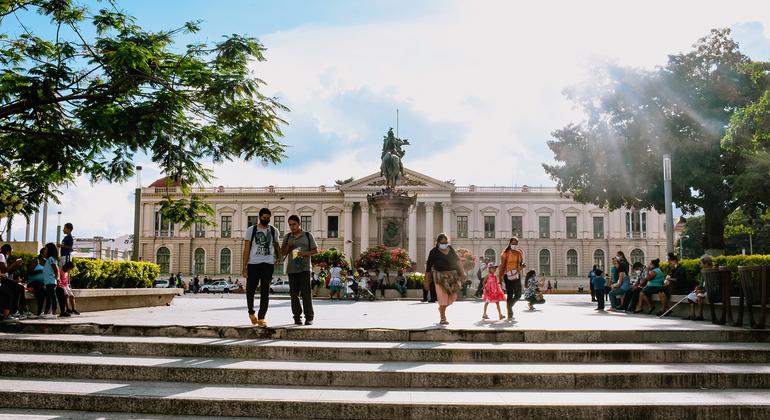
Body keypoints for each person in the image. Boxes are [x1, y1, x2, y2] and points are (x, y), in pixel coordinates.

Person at [241, 208, 282, 327]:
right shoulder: (251, 230)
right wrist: (244, 267)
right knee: (250, 290)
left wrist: (279, 256)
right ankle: (251, 312)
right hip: (253, 264)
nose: (266, 220)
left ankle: (262, 317)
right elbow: (247, 249)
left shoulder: (274, 230)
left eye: (268, 218)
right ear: (259, 217)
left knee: (265, 292)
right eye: (264, 218)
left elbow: (276, 244)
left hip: (268, 264)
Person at [281, 214, 319, 325]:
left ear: (299, 224)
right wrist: (288, 246)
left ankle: (309, 317)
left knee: (306, 293)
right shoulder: (287, 237)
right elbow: (282, 253)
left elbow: (315, 250)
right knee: (293, 294)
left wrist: (304, 253)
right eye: (290, 225)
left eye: (294, 224)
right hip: (292, 269)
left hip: (305, 268)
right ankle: (297, 316)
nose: (292, 227)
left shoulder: (307, 235)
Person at [425, 233, 464, 325]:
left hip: (452, 277)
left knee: (452, 297)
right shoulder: (433, 252)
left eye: (446, 242)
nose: (444, 244)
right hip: (439, 277)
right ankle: (443, 317)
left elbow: (458, 261)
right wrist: (426, 281)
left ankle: (441, 308)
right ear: (438, 242)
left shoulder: (450, 249)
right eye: (442, 242)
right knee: (442, 298)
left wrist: (462, 273)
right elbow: (428, 268)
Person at [497, 237, 525, 321]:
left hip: (516, 275)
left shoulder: (519, 253)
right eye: (513, 243)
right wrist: (500, 277)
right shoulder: (505, 253)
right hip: (507, 275)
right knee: (509, 294)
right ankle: (510, 312)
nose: (514, 245)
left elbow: (520, 263)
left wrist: (522, 266)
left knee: (518, 294)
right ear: (509, 243)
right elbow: (502, 266)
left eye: (516, 243)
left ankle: (510, 305)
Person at [0, 244, 25, 321]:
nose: (11, 254)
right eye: (11, 251)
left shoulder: (3, 257)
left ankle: (17, 310)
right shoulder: (1, 255)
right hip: (2, 279)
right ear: (7, 251)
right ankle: (15, 311)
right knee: (14, 291)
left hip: (4, 279)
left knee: (19, 288)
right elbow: (4, 270)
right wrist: (15, 263)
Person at [684, 255, 712, 321]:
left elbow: (711, 285)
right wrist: (698, 288)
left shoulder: (713, 271)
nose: (701, 265)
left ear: (706, 263)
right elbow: (701, 284)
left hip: (710, 291)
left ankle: (700, 315)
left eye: (702, 263)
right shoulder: (703, 271)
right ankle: (692, 315)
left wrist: (701, 290)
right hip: (703, 291)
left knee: (699, 295)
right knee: (690, 296)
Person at [41, 243, 60, 319]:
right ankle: (46, 313)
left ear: (49, 250)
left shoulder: (51, 258)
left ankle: (54, 313)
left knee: (52, 297)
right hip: (48, 282)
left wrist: (57, 278)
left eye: (46, 249)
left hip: (51, 281)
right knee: (48, 298)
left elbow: (56, 269)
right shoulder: (49, 259)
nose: (45, 250)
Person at [26, 250, 46, 317]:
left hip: (43, 283)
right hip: (32, 282)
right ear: (42, 254)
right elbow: (30, 272)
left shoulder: (47, 262)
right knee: (41, 287)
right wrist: (39, 271)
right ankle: (39, 312)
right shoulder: (35, 261)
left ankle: (48, 311)